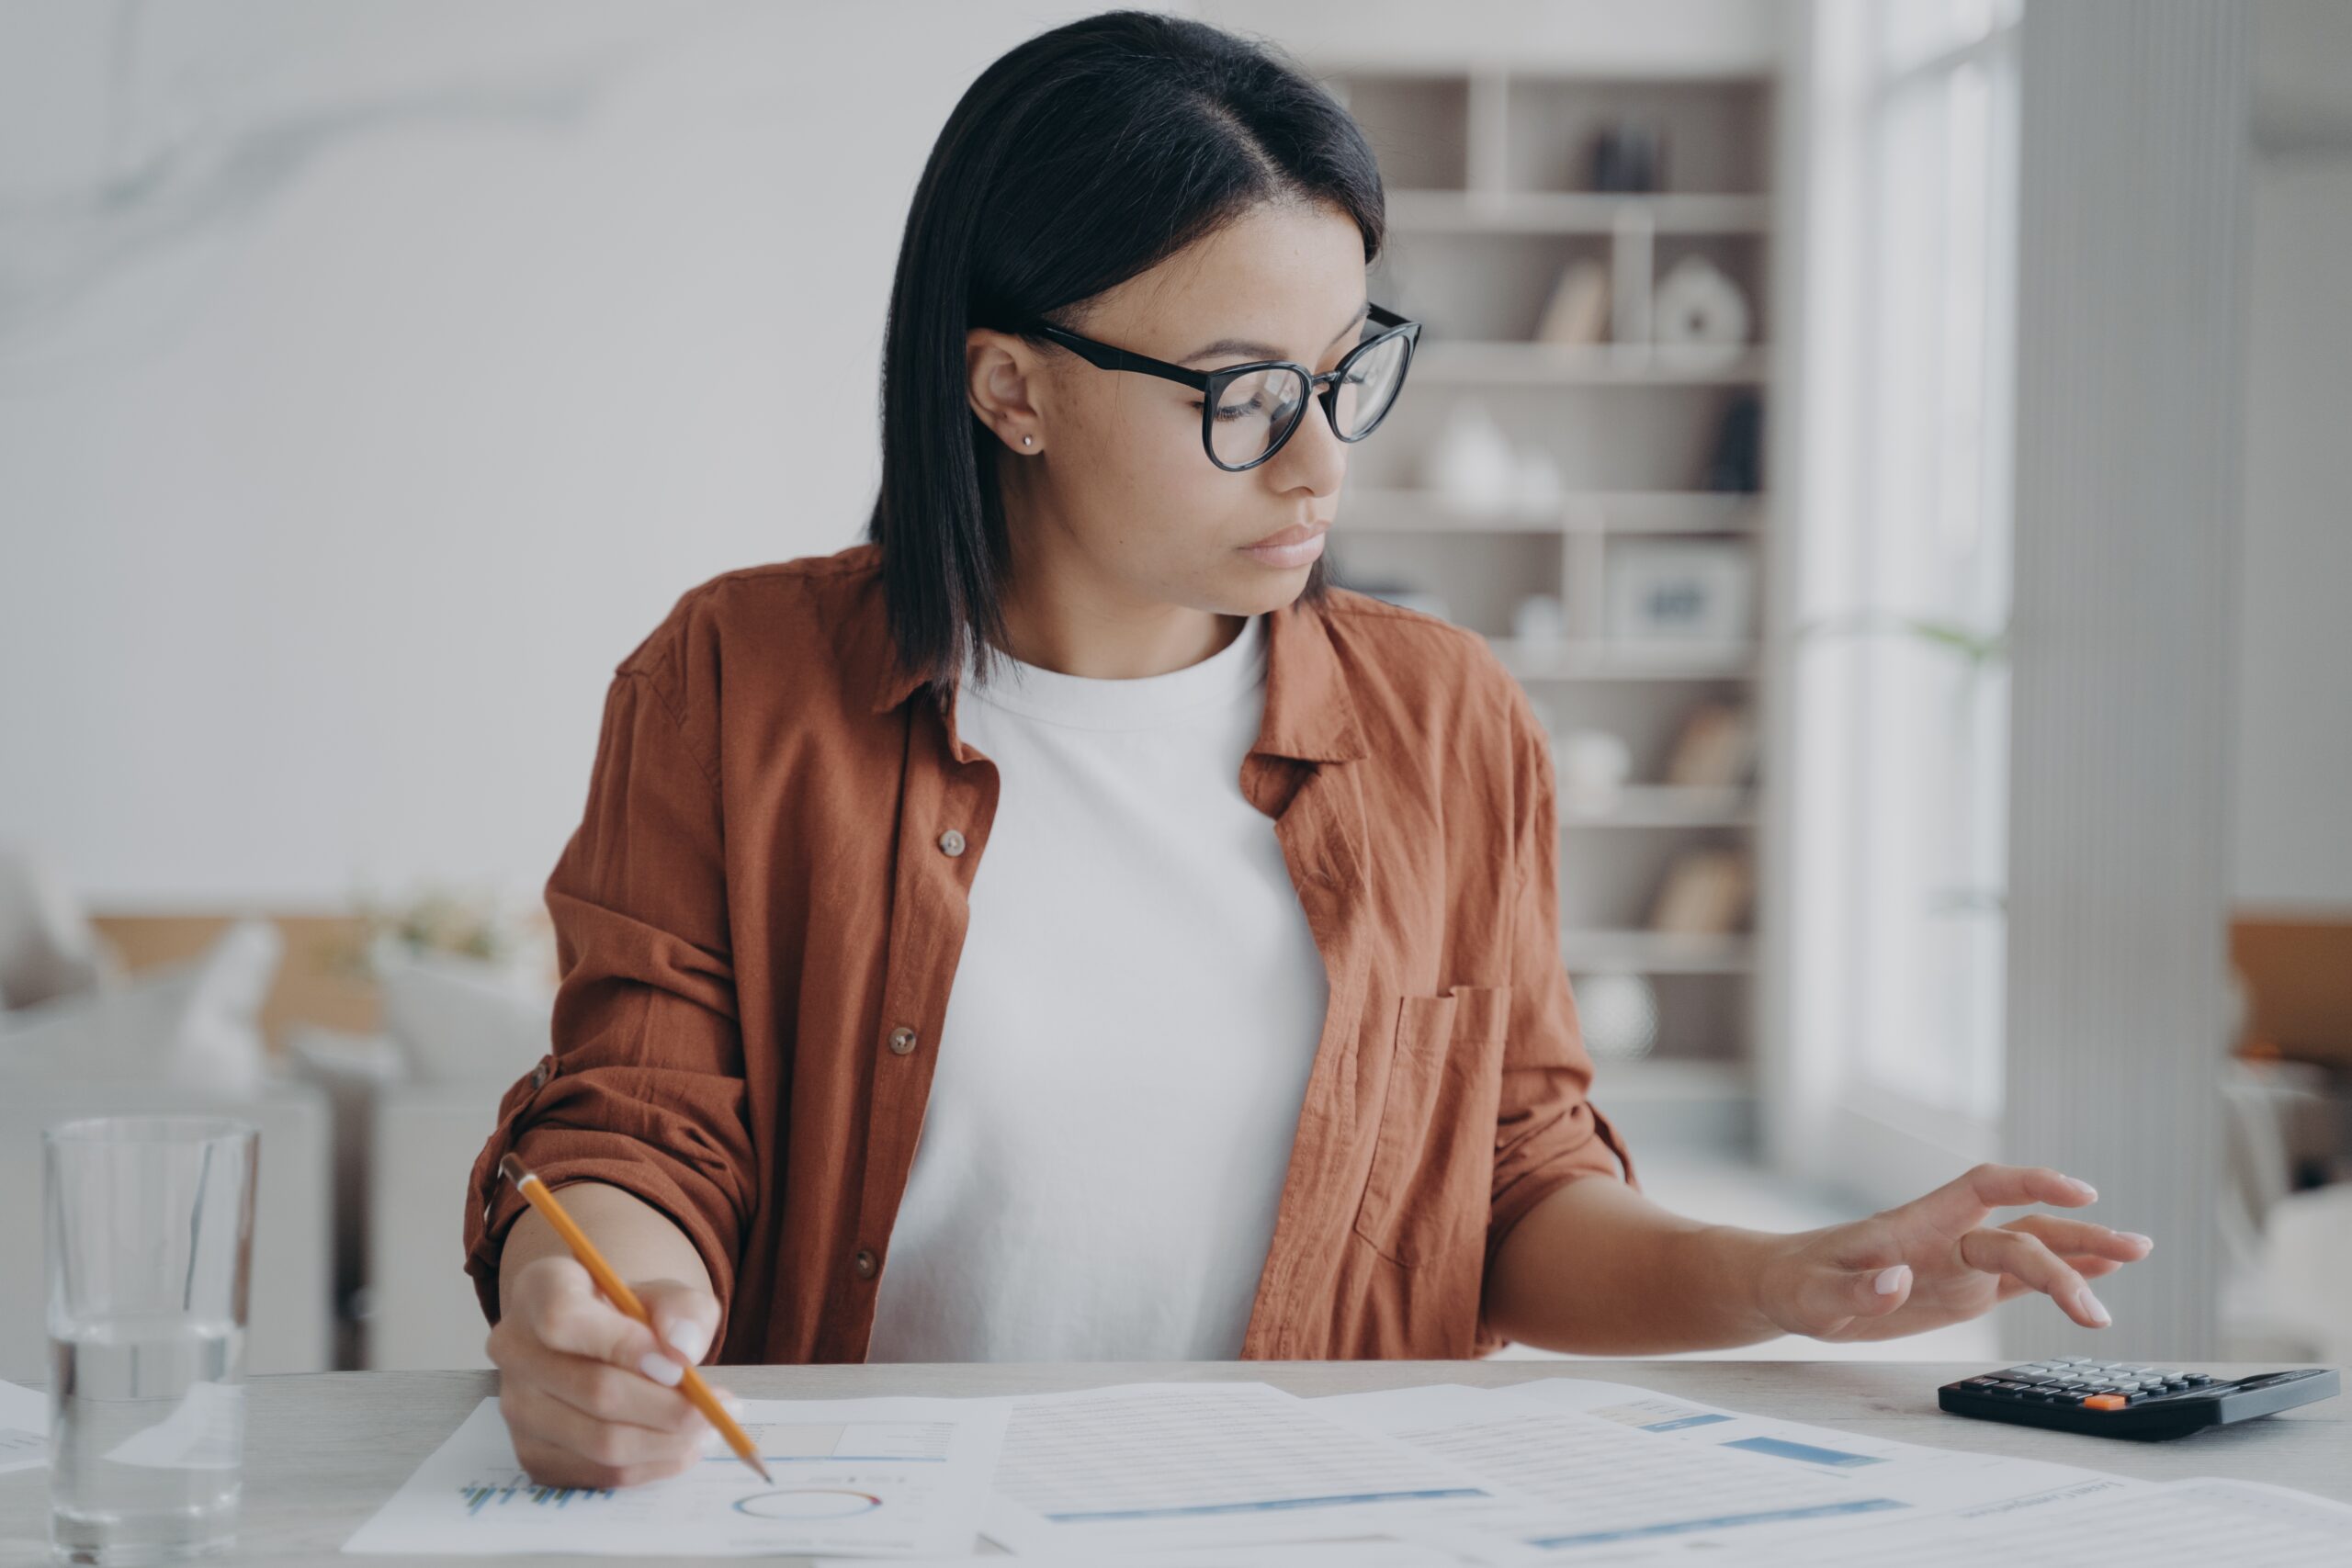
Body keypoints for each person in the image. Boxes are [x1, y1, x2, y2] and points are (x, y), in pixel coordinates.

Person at [463, 9, 2154, 1491]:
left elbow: (1512, 1196)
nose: (1321, 463)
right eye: (1244, 392)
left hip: (1312, 1525)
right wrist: (601, 1307)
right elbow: (643, 1127)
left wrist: (1787, 1280)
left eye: (1350, 373)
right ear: (1006, 389)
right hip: (865, 1519)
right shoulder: (737, 682)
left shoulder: (1446, 722)